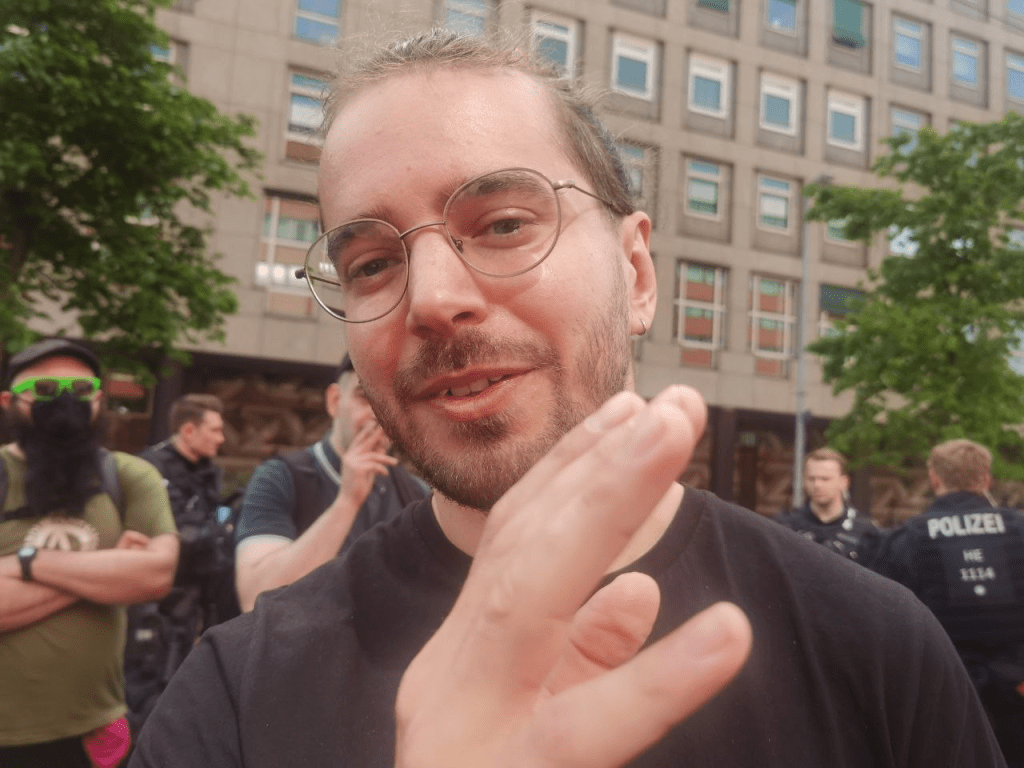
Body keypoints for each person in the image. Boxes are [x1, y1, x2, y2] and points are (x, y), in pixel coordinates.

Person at [130, 29, 1005, 768]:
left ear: (636, 273)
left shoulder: (877, 647)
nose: (431, 298)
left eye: (504, 224)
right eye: (370, 264)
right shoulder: (235, 696)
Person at [0, 338, 178, 768]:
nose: (65, 401)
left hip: (94, 735)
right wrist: (109, 568)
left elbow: (155, 576)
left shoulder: (130, 475)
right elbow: (133, 577)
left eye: (82, 390)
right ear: (8, 402)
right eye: (44, 390)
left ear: (99, 400)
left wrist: (25, 563)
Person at [233, 353, 428, 612]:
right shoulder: (279, 478)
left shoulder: (416, 494)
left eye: (393, 402)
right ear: (335, 401)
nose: (379, 414)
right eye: (366, 397)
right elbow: (255, 598)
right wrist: (347, 501)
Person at [873, 439, 1024, 767]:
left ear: (934, 478)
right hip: (1016, 693)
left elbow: (885, 624)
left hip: (942, 694)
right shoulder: (1018, 531)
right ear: (986, 478)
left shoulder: (907, 539)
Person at [127, 395, 237, 741]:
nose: (221, 439)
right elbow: (174, 536)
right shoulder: (150, 470)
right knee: (145, 693)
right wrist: (221, 530)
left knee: (180, 687)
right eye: (215, 430)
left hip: (197, 603)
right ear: (189, 430)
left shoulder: (207, 471)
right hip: (154, 604)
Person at [775, 447, 881, 563]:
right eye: (811, 478)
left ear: (844, 482)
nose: (817, 485)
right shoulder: (786, 526)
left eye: (825, 479)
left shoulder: (866, 532)